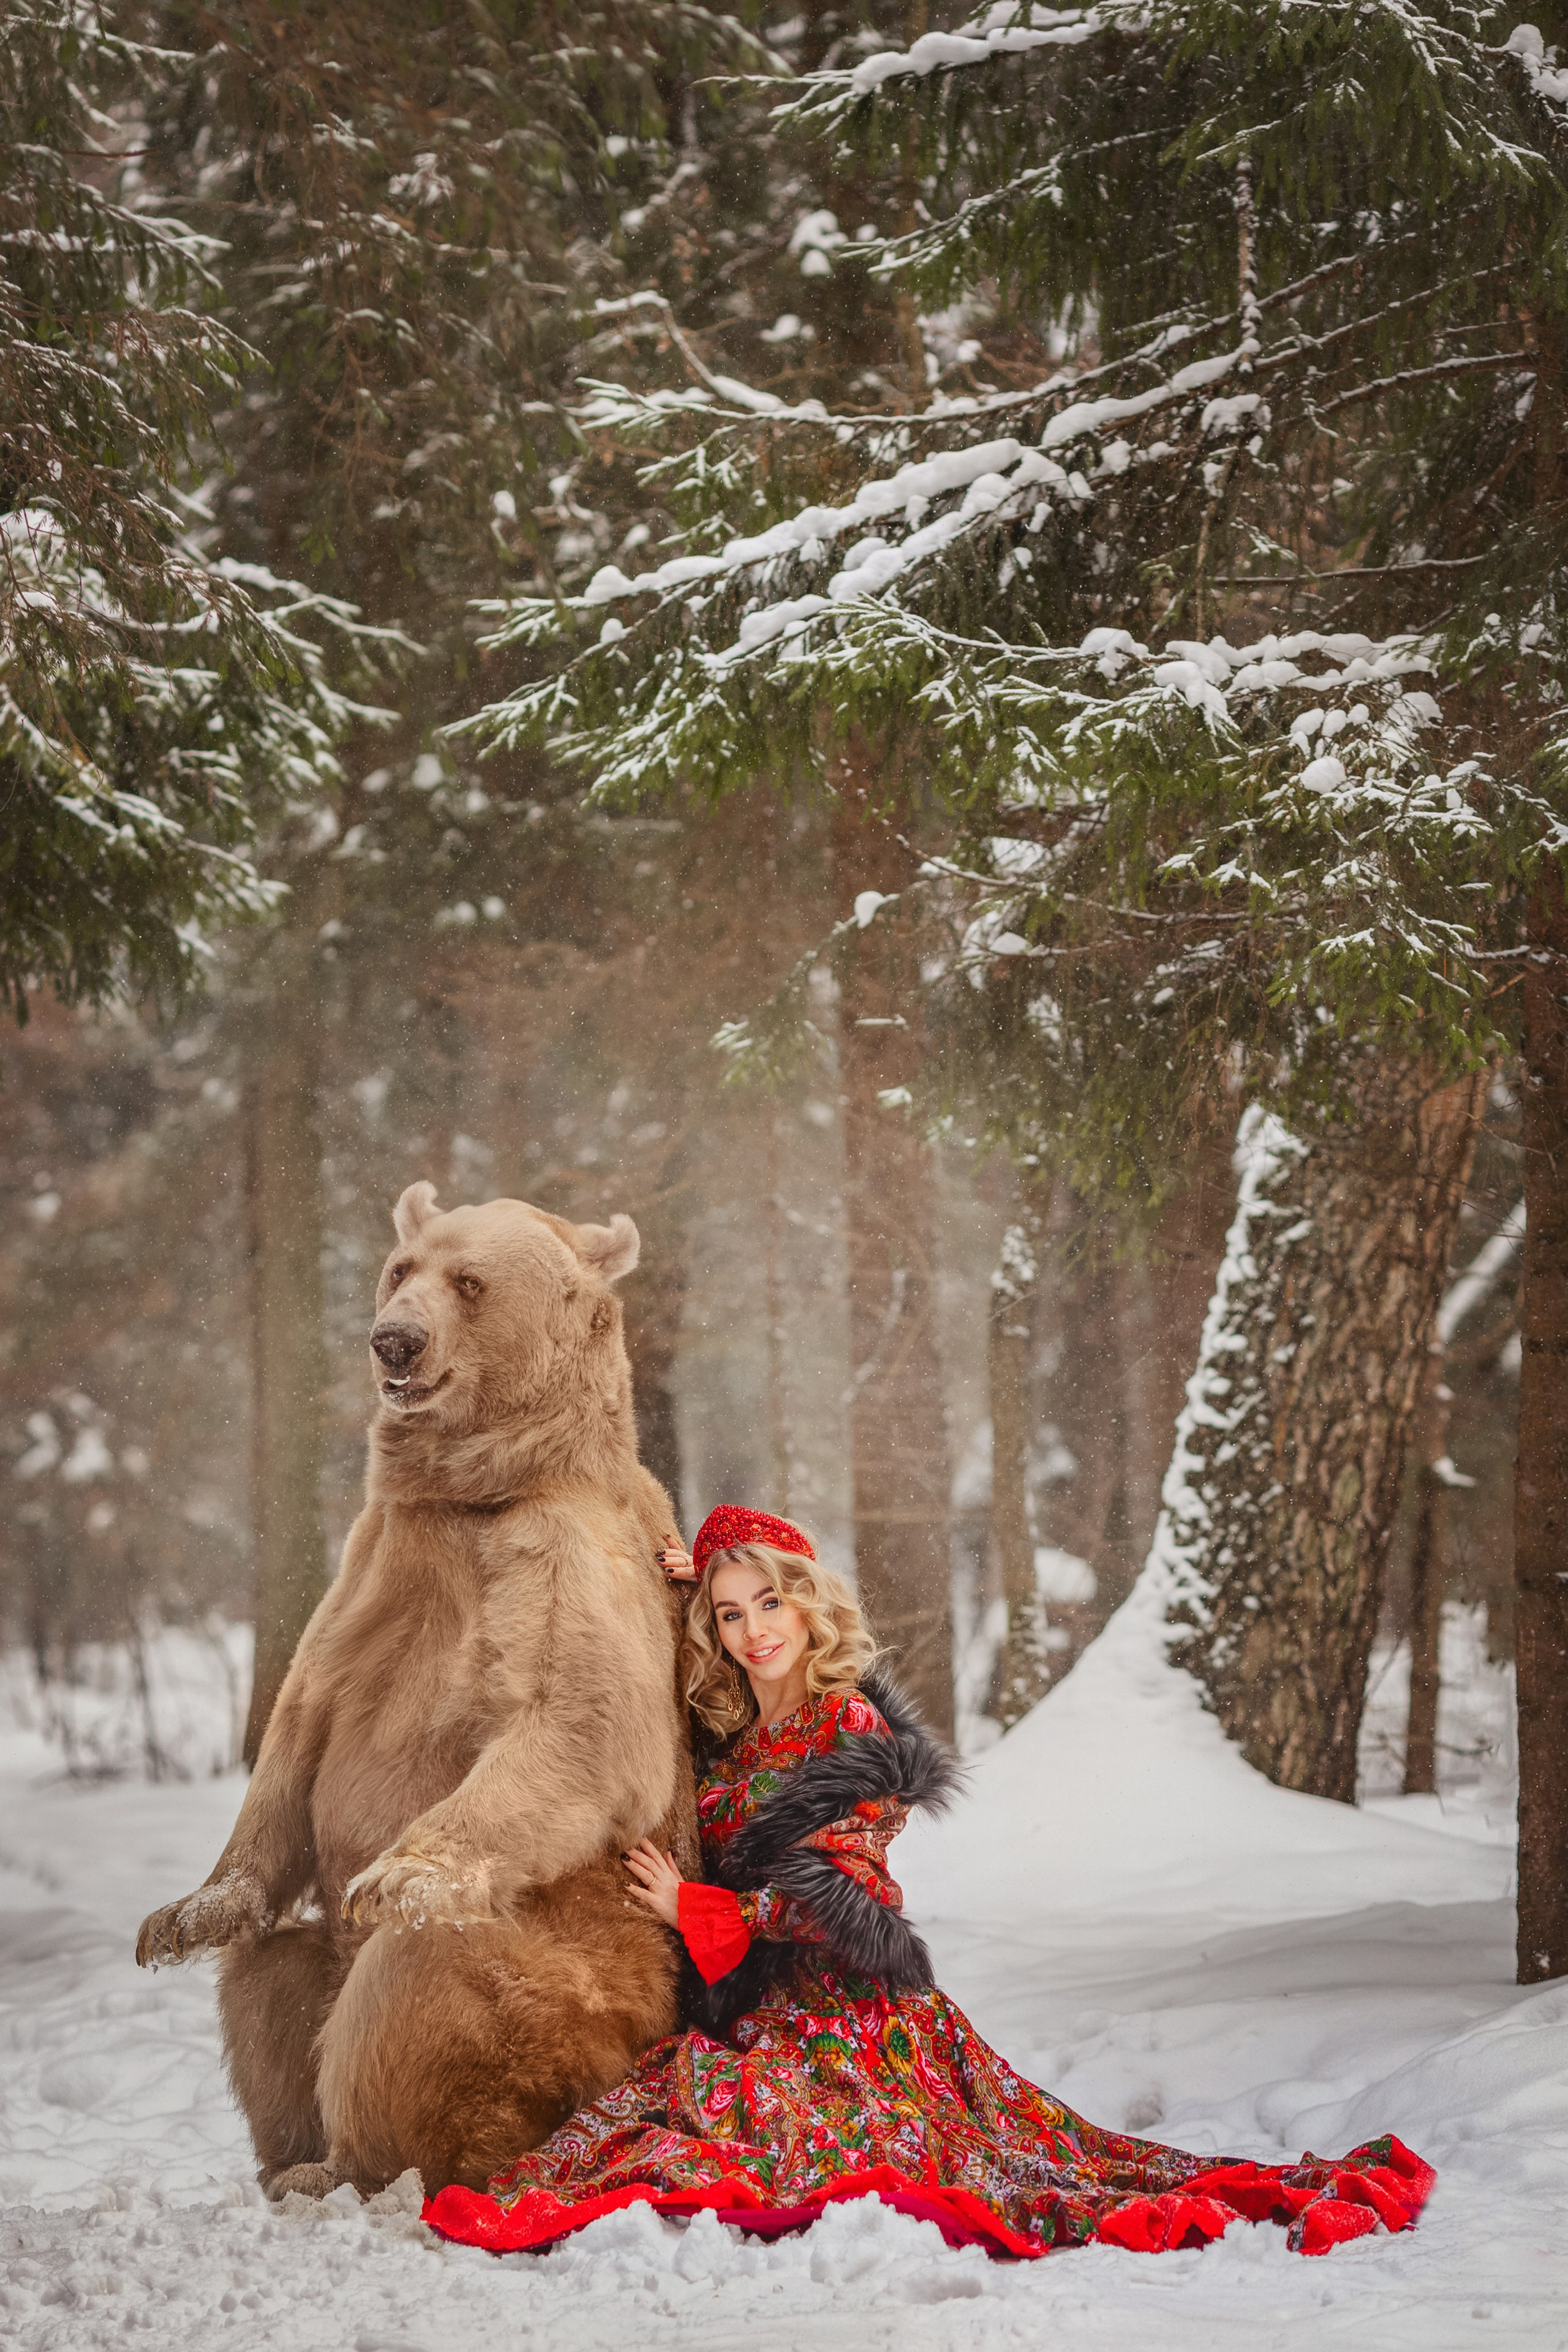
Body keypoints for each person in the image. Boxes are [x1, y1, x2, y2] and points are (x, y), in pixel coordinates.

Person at [423, 1506, 1434, 2261]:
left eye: (770, 1601)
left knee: (762, 2127)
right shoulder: (728, 1741)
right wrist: (684, 1586)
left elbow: (845, 1893)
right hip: (756, 2010)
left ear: (809, 1603)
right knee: (664, 2111)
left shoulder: (849, 1732)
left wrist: (702, 1909)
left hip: (850, 2014)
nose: (752, 1630)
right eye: (729, 1615)